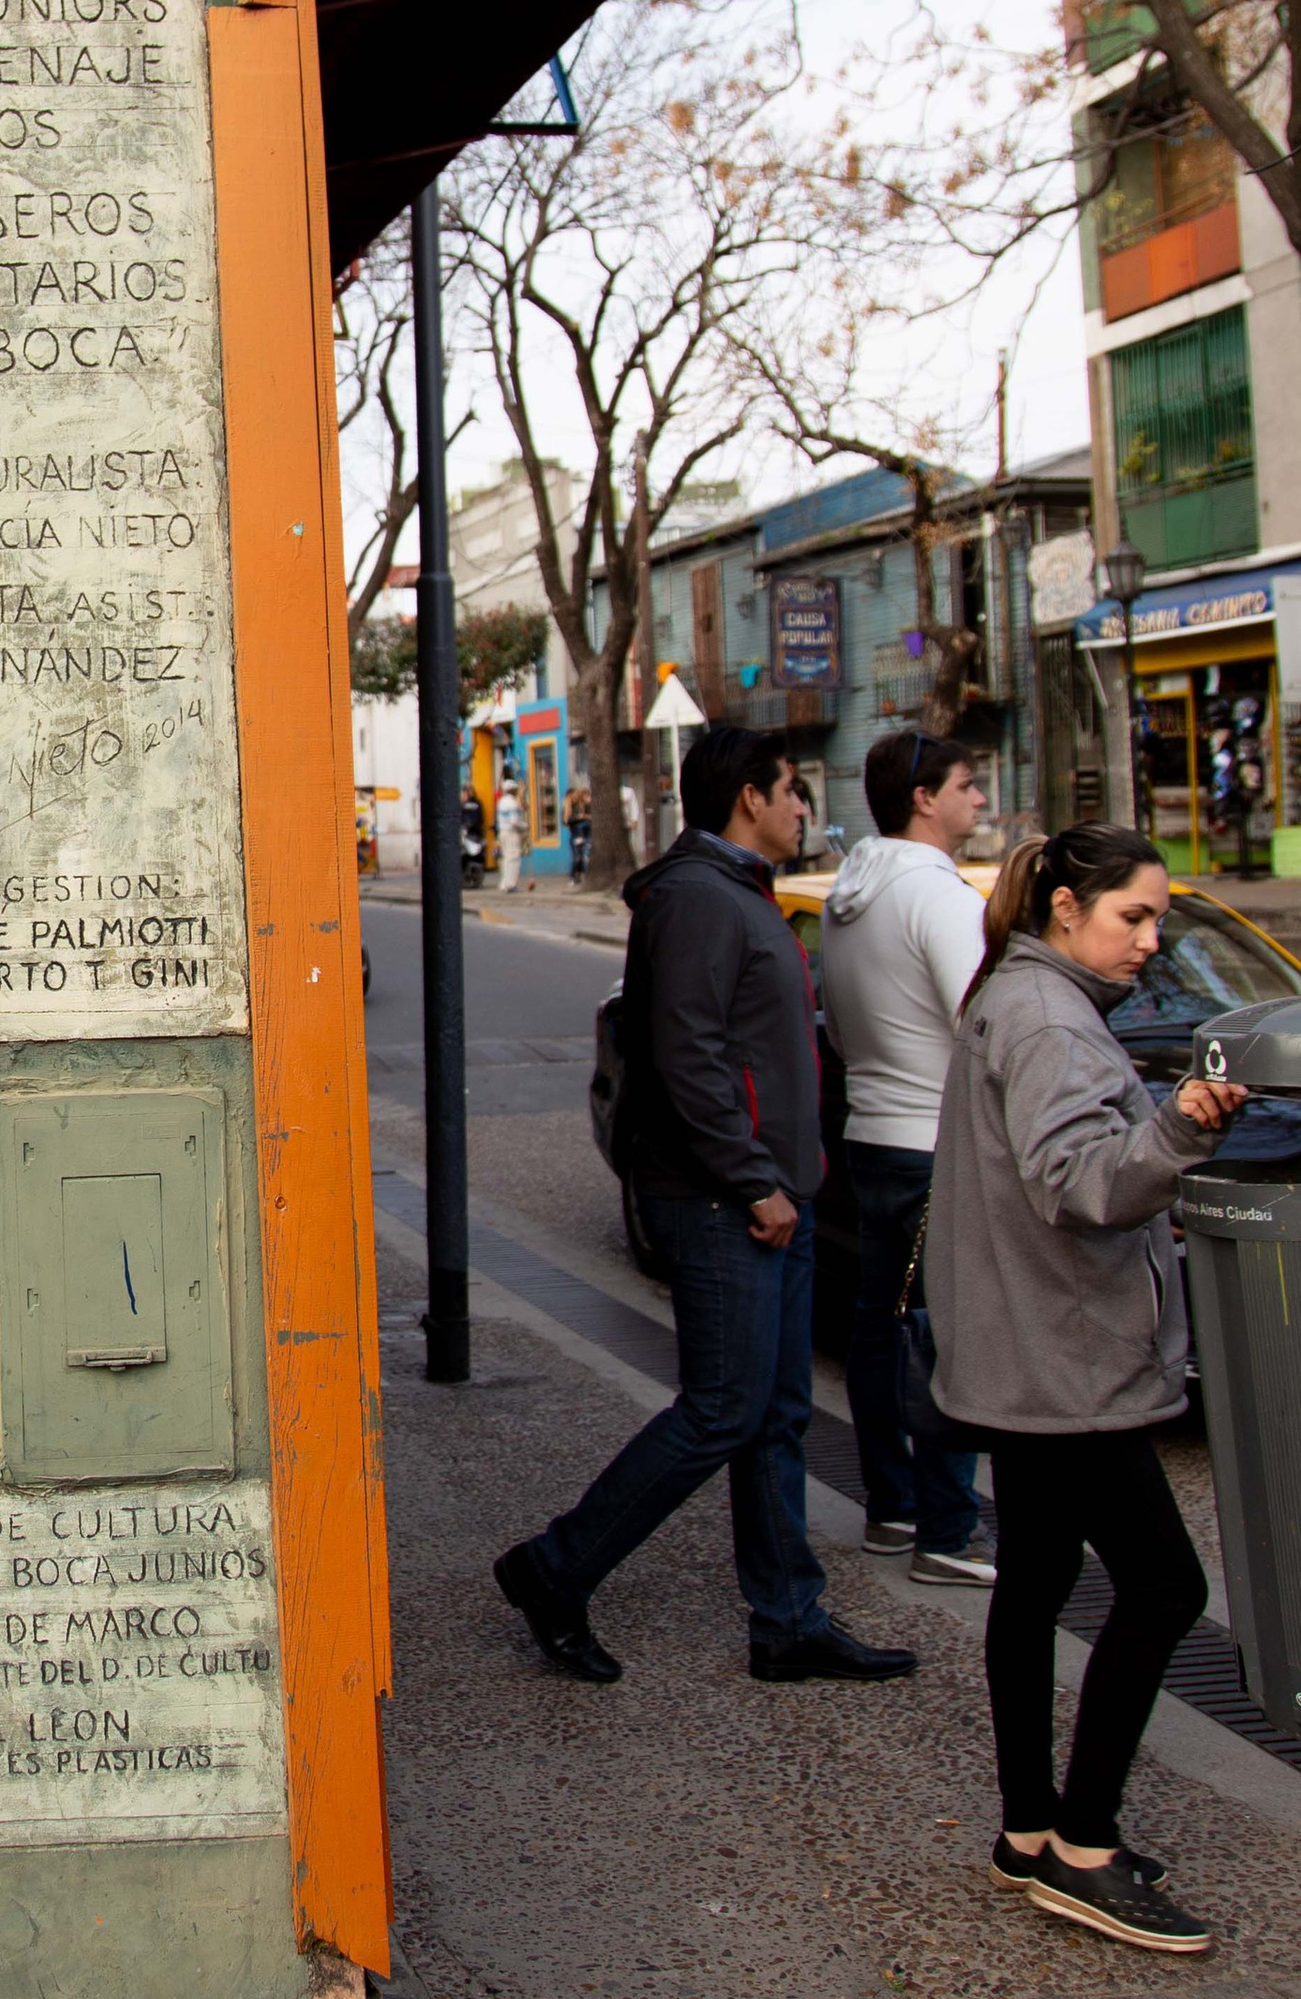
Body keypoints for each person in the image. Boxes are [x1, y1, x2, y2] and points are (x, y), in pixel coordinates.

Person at [494, 724, 918, 1686]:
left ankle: (789, 1620)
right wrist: (753, 1179)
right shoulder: (696, 898)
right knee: (723, 1409)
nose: (804, 807)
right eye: (793, 790)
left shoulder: (738, 891)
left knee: (774, 1414)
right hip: (728, 1201)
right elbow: (689, 1055)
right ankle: (554, 1568)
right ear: (749, 799)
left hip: (775, 1194)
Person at [931, 825, 1242, 1955]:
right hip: (1063, 1361)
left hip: (1021, 1350)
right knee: (1164, 1587)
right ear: (1066, 908)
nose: (1151, 940)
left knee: (1037, 1579)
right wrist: (1178, 1128)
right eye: (1133, 917)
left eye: (1158, 918)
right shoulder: (1050, 1017)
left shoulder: (1017, 992)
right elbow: (1081, 1185)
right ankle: (1085, 1846)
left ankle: (1027, 1829)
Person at [819, 730, 993, 1587]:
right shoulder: (939, 895)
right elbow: (985, 1027)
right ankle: (948, 1532)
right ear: (924, 798)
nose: (980, 798)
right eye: (968, 784)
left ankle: (891, 1508)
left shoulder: (846, 895)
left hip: (872, 1134)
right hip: (934, 1144)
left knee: (880, 1328)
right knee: (943, 1336)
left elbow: (839, 1031)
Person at [496, 773, 526, 893]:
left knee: (506, 858)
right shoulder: (512, 803)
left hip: (503, 831)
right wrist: (525, 826)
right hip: (511, 833)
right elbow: (514, 821)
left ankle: (504, 883)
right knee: (513, 857)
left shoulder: (501, 802)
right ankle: (511, 884)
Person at [564, 781, 593, 884]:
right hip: (576, 834)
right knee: (577, 856)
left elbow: (589, 815)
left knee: (584, 856)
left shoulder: (582, 806)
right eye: (573, 796)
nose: (575, 798)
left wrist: (584, 816)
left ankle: (580, 875)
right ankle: (573, 877)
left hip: (585, 833)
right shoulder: (568, 809)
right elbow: (567, 821)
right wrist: (579, 817)